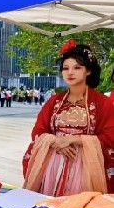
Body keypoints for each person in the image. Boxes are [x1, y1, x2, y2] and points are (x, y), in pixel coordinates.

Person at [23, 41, 114, 196]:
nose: (70, 72)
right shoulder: (54, 101)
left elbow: (110, 135)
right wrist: (56, 141)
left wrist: (75, 139)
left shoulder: (102, 103)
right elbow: (38, 130)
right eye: (65, 68)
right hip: (53, 164)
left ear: (88, 71)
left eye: (77, 68)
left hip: (86, 167)